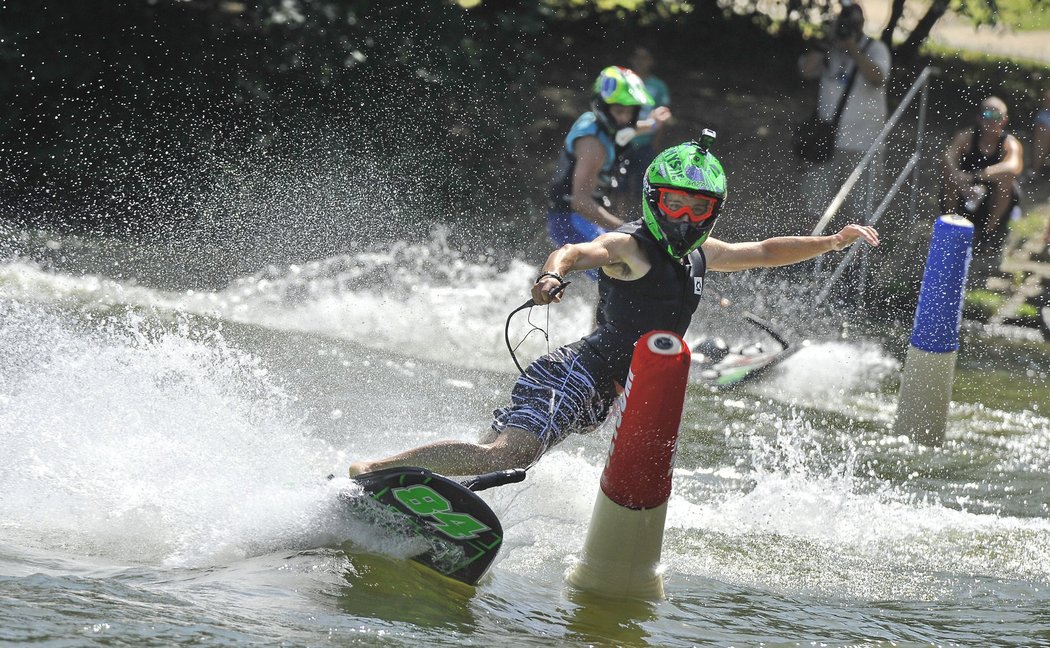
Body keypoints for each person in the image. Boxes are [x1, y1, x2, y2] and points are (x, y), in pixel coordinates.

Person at [347, 138, 879, 478]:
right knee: (507, 457)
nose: (686, 216)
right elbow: (580, 251)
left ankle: (405, 487)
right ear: (654, 198)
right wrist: (552, 274)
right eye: (675, 203)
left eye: (699, 207)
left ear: (712, 212)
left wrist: (831, 242)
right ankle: (375, 470)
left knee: (498, 457)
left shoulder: (701, 254)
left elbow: (765, 250)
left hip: (604, 390)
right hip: (573, 374)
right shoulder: (630, 247)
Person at [547, 66, 672, 255]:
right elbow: (580, 202)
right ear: (603, 106)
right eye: (619, 110)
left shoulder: (594, 121)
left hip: (583, 218)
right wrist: (627, 229)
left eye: (630, 111)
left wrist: (653, 123)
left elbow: (624, 130)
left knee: (628, 266)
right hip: (572, 220)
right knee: (621, 270)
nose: (625, 117)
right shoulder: (593, 145)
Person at [797, 0, 891, 232]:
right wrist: (825, 45)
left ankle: (856, 260)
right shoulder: (829, 49)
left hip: (864, 142)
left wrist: (853, 49)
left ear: (862, 25)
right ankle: (809, 249)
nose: (848, 28)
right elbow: (805, 71)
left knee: (860, 205)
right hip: (826, 139)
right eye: (844, 23)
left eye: (853, 24)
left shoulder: (876, 48)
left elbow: (878, 76)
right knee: (815, 199)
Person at [941, 96, 1024, 256]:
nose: (991, 121)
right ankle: (949, 227)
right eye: (987, 116)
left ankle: (988, 234)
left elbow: (1013, 167)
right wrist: (961, 181)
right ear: (979, 118)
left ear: (1004, 120)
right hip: (963, 193)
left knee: (1007, 182)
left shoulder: (1009, 143)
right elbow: (947, 157)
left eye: (996, 117)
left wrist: (975, 176)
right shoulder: (966, 137)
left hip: (992, 201)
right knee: (949, 177)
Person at [619, 47, 672, 198]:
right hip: (623, 141)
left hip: (646, 143)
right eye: (637, 57)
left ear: (651, 62)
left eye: (644, 58)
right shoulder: (624, 82)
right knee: (619, 184)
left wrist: (656, 142)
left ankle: (639, 217)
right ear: (632, 60)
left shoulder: (658, 86)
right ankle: (618, 219)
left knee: (644, 185)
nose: (640, 62)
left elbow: (663, 115)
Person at [1032, 88, 1050, 179]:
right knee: (1043, 135)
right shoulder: (1043, 114)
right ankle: (1036, 170)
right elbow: (1040, 128)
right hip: (1045, 140)